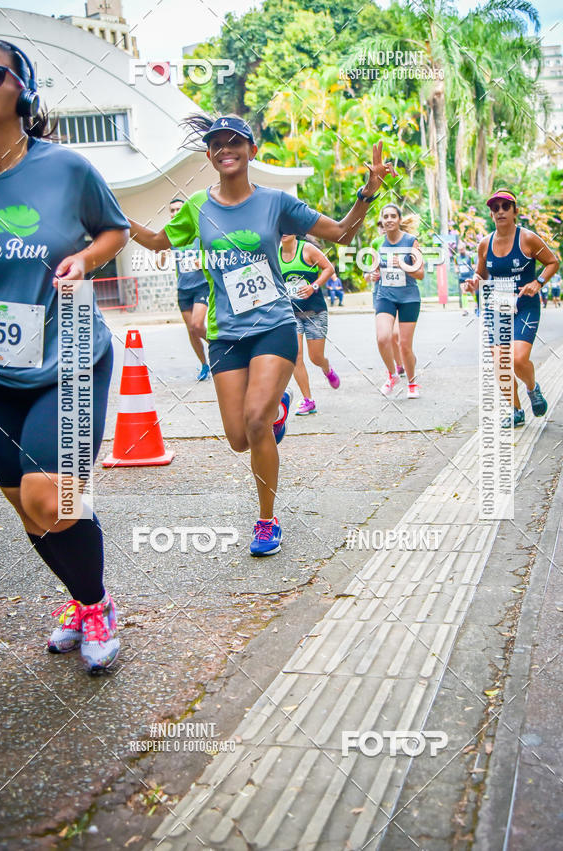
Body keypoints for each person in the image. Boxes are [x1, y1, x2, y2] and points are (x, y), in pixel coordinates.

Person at [127, 114, 395, 556]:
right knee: (238, 438)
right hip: (225, 334)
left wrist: (368, 191)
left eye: (236, 142)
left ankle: (267, 520)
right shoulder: (197, 206)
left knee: (254, 422)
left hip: (273, 325)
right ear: (210, 154)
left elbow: (343, 234)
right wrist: (115, 218)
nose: (225, 148)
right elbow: (158, 242)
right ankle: (278, 409)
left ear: (252, 151)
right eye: (217, 143)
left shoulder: (275, 202)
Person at [0, 40, 129, 673]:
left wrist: (87, 259)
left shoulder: (66, 168)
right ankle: (78, 597)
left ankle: (97, 606)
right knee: (29, 508)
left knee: (53, 502)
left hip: (66, 356)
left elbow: (114, 229)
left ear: (25, 91)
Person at [463, 188, 559, 428]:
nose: (500, 211)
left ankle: (532, 388)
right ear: (491, 213)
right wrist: (474, 281)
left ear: (515, 211)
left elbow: (552, 262)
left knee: (517, 359)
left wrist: (538, 282)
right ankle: (515, 410)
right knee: (500, 362)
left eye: (505, 206)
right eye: (495, 208)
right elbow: (481, 273)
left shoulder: (527, 238)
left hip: (525, 306)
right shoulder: (485, 244)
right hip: (497, 307)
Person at [279, 233, 340, 415]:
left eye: (287, 227)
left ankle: (326, 368)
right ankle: (308, 400)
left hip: (315, 312)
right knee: (295, 356)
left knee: (315, 357)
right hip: (291, 314)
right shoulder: (274, 253)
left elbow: (328, 268)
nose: (283, 231)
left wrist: (314, 286)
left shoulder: (306, 249)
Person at [371, 204, 425, 398]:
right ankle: (392, 375)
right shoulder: (379, 243)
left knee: (404, 345)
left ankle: (412, 383)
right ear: (383, 221)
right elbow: (374, 269)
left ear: (399, 220)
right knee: (383, 338)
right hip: (385, 296)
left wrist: (403, 265)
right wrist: (373, 274)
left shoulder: (411, 241)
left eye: (393, 216)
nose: (389, 219)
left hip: (409, 298)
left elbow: (420, 274)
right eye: (386, 216)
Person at [165, 197, 210, 380]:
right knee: (191, 330)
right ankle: (204, 366)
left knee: (198, 325)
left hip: (201, 286)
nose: (175, 213)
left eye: (178, 209)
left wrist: (203, 261)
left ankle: (222, 347)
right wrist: (160, 253)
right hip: (183, 289)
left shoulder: (197, 233)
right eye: (172, 211)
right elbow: (161, 261)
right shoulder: (173, 237)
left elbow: (213, 253)